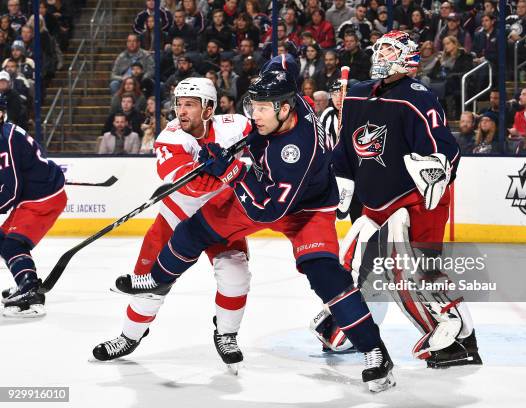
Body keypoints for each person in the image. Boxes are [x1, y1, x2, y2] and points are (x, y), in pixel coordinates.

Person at [111, 55, 396, 393]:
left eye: (262, 109)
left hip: (304, 209)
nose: (254, 115)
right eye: (254, 105)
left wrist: (232, 171)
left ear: (286, 109)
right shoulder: (286, 103)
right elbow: (285, 63)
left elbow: (267, 211)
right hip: (267, 188)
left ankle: (375, 352)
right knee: (196, 227)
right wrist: (279, 61)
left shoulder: (294, 152)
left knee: (326, 276)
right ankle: (155, 279)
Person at [328, 31, 481, 369]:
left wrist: (439, 168)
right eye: (378, 48)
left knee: (420, 273)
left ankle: (463, 339)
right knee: (352, 262)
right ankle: (345, 322)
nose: (380, 55)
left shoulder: (417, 97)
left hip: (417, 202)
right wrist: (340, 178)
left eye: (388, 50)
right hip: (376, 201)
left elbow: (445, 149)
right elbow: (346, 147)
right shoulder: (356, 95)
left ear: (407, 58)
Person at [93, 78, 254, 374]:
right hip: (176, 217)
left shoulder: (238, 126)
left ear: (209, 109)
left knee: (235, 274)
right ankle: (129, 337)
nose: (181, 111)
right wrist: (230, 170)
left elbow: (266, 144)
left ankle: (227, 334)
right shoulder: (170, 138)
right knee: (149, 283)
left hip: (222, 216)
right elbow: (196, 186)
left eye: (190, 105)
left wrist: (240, 163)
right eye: (179, 104)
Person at [0, 96, 67, 317]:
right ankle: (23, 281)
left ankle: (30, 291)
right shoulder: (7, 132)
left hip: (42, 197)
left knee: (12, 244)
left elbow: (12, 188)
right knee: (3, 240)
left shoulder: (4, 139)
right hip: (37, 193)